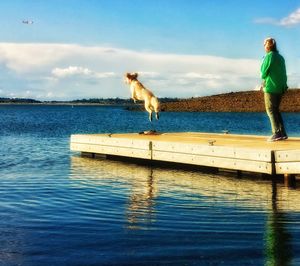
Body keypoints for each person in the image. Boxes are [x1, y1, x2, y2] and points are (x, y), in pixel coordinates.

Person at [260, 37, 288, 141]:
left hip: (270, 87)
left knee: (270, 110)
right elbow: (284, 73)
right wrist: (284, 86)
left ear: (268, 46)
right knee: (276, 110)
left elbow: (263, 73)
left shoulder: (269, 56)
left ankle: (276, 133)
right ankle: (282, 133)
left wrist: (263, 62)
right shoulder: (281, 57)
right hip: (280, 87)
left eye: (264, 44)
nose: (264, 46)